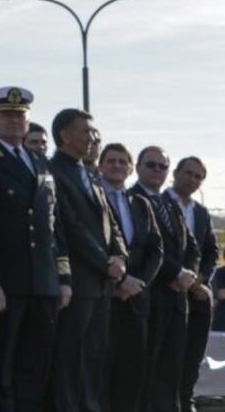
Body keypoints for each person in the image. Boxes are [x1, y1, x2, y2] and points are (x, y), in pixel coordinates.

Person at [0, 86, 70, 412]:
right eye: (6, 115)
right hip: (7, 283)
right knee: (1, 365)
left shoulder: (41, 162)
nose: (14, 121)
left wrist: (63, 277)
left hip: (42, 281)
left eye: (20, 115)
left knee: (34, 365)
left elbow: (54, 225)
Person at [47, 109, 127, 412]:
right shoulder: (54, 171)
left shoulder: (90, 175)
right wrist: (103, 262)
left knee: (94, 357)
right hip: (77, 280)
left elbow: (112, 224)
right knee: (70, 359)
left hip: (102, 283)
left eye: (95, 133)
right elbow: (69, 225)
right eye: (86, 132)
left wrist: (119, 256)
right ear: (65, 136)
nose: (94, 138)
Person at [100, 143, 163, 412]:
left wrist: (137, 284)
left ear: (129, 169)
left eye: (122, 161)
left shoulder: (140, 203)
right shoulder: (94, 196)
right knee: (102, 371)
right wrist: (119, 281)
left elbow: (155, 249)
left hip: (136, 300)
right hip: (104, 296)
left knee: (132, 373)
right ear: (101, 165)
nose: (116, 165)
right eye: (111, 160)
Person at [135, 146, 198, 412]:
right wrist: (175, 274)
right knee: (146, 367)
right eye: (151, 165)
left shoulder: (170, 204)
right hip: (151, 295)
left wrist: (188, 275)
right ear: (138, 167)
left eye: (162, 166)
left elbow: (192, 247)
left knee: (171, 369)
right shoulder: (132, 200)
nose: (157, 171)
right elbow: (143, 248)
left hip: (177, 299)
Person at [167, 157, 218, 412]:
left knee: (192, 356)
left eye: (199, 176)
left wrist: (200, 279)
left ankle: (186, 401)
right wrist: (178, 276)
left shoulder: (200, 212)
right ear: (175, 173)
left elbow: (211, 251)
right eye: (188, 173)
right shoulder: (157, 203)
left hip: (194, 293)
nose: (193, 179)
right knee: (166, 357)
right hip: (165, 290)